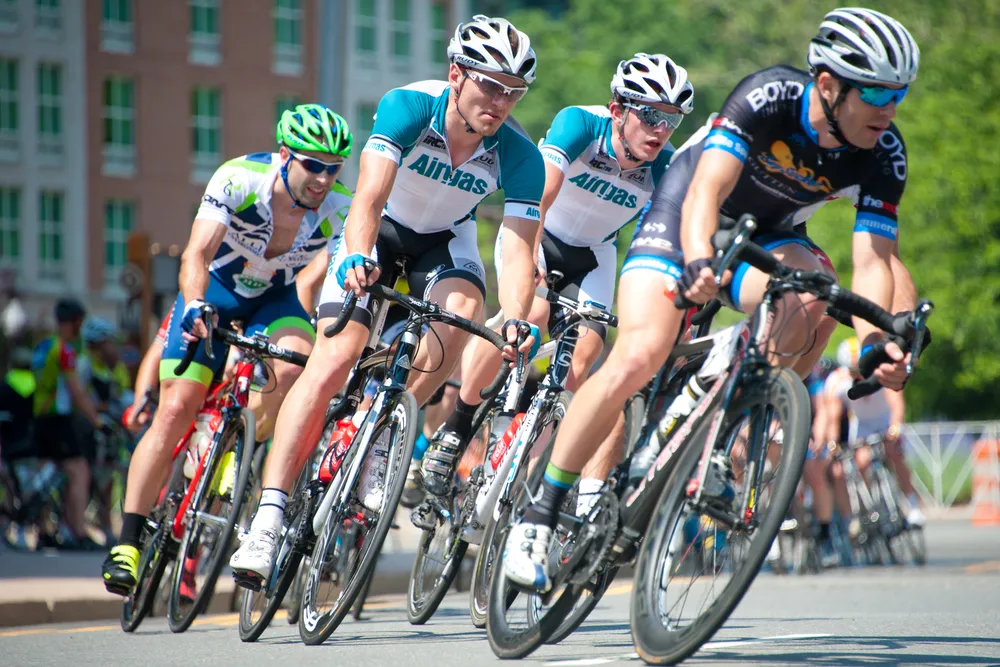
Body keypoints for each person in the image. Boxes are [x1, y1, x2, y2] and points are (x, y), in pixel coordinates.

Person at [505, 7, 925, 592]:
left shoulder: (884, 152)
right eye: (876, 92)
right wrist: (700, 257)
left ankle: (728, 423)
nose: (889, 109)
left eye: (898, 94)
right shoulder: (771, 98)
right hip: (689, 212)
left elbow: (876, 260)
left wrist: (883, 336)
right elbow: (707, 188)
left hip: (771, 234)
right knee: (638, 354)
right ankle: (539, 515)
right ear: (829, 85)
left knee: (815, 301)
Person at [228, 14, 544, 585]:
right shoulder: (409, 107)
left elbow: (518, 249)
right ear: (456, 74)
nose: (501, 102)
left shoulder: (520, 156)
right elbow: (369, 197)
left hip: (445, 244)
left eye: (513, 91)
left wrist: (518, 314)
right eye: (490, 84)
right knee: (334, 358)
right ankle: (268, 520)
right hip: (382, 229)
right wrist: (355, 255)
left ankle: (386, 432)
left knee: (465, 312)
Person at [101, 104, 355, 596]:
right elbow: (195, 254)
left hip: (274, 300)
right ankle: (128, 541)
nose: (323, 178)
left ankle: (244, 442)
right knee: (175, 409)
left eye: (333, 167)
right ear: (285, 155)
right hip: (213, 293)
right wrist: (194, 304)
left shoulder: (339, 206)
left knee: (298, 363)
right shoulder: (240, 178)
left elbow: (330, 280)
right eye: (313, 164)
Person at [425, 53, 692, 512]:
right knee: (528, 312)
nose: (660, 129)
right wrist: (529, 259)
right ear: (617, 110)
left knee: (584, 360)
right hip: (539, 234)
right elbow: (539, 198)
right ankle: (460, 421)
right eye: (650, 114)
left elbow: (675, 239)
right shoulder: (580, 126)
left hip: (594, 255)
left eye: (672, 119)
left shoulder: (665, 164)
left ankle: (517, 470)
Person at [825, 337, 924, 527]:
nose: (860, 378)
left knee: (894, 452)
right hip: (863, 425)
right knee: (861, 461)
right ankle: (873, 506)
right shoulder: (837, 382)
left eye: (862, 371)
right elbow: (833, 417)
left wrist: (895, 427)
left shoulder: (881, 370)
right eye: (854, 373)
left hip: (885, 420)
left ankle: (911, 504)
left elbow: (896, 403)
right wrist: (833, 442)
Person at [32, 299, 104, 549]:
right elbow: (76, 391)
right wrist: (96, 420)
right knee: (79, 471)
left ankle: (43, 531)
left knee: (45, 474)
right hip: (59, 418)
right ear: (73, 322)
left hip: (40, 416)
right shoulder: (64, 349)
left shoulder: (43, 346)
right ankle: (79, 532)